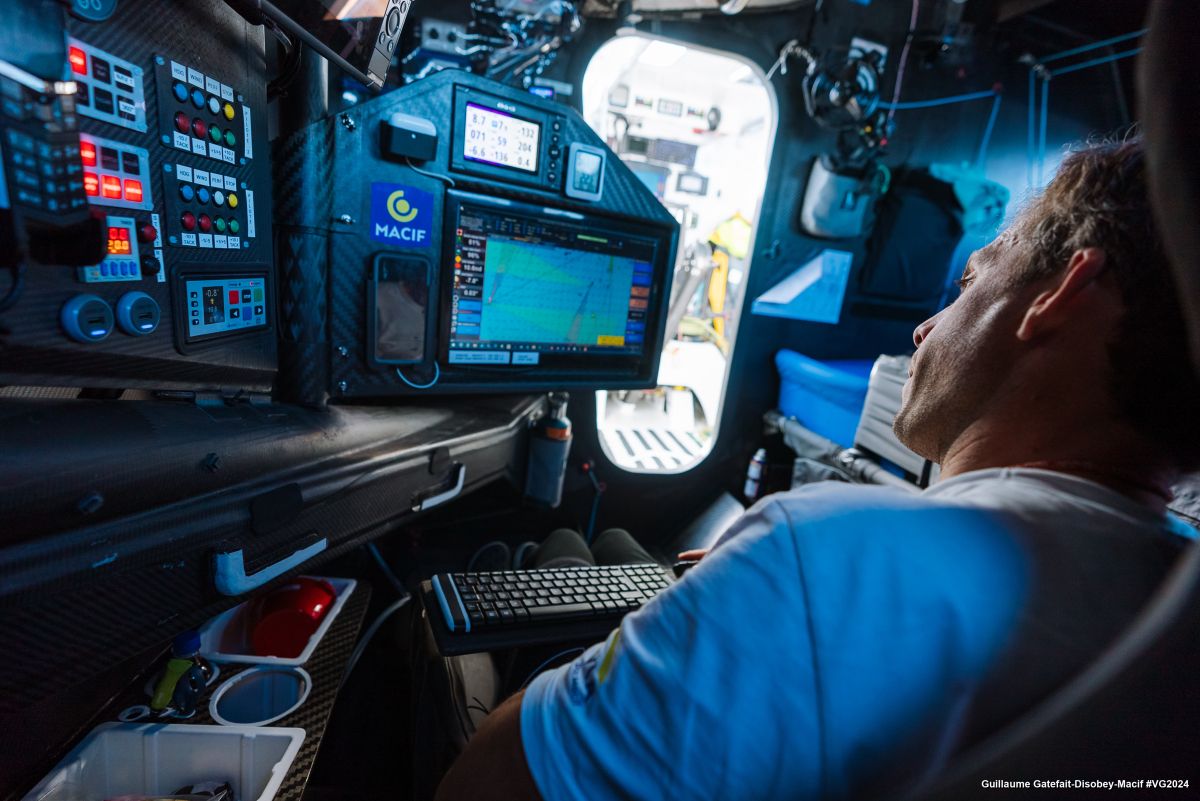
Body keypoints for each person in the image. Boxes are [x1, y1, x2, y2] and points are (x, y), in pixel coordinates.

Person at [434, 136, 1200, 801]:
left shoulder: (831, 554)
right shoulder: (1176, 598)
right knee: (610, 552)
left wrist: (750, 599)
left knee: (537, 558)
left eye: (969, 281)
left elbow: (482, 784)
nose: (925, 328)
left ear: (1061, 294)